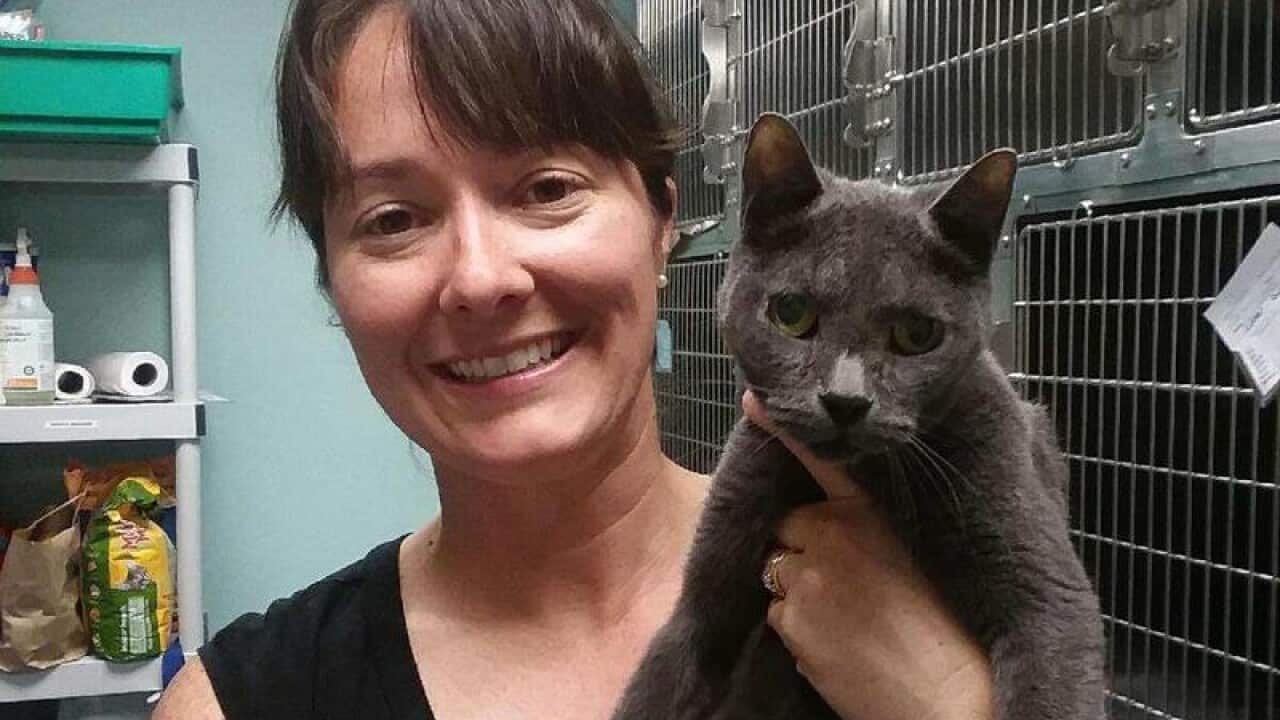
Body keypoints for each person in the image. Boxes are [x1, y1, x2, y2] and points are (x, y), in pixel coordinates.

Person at [155, 1, 995, 718]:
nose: (481, 279)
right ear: (331, 280)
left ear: (663, 220)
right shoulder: (242, 703)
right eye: (392, 219)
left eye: (547, 189)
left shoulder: (933, 591)